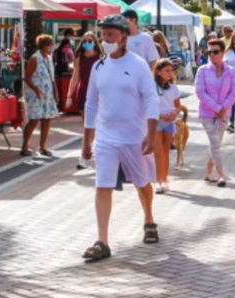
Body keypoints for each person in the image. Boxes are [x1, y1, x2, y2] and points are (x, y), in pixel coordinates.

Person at [82, 14, 159, 262]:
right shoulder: (98, 67)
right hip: (105, 137)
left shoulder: (138, 65)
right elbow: (91, 103)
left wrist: (151, 132)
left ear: (124, 37)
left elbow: (151, 98)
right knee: (103, 186)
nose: (105, 40)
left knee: (142, 181)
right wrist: (86, 139)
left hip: (133, 136)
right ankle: (102, 240)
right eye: (103, 35)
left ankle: (148, 217)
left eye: (110, 35)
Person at [194, 40, 234, 187]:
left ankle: (208, 173)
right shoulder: (202, 70)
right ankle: (221, 175)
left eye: (215, 52)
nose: (212, 55)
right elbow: (200, 92)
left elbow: (233, 92)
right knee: (216, 144)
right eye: (209, 52)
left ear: (222, 53)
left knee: (215, 144)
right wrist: (217, 108)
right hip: (207, 113)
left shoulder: (230, 71)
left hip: (224, 114)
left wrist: (223, 108)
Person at [150, 58, 187, 193]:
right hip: (156, 122)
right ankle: (158, 181)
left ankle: (164, 179)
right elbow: (146, 106)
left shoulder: (173, 88)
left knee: (166, 152)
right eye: (166, 71)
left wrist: (175, 114)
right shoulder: (151, 86)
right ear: (158, 72)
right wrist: (160, 116)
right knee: (158, 153)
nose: (170, 73)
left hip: (169, 123)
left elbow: (178, 105)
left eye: (171, 71)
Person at [21, 34, 59, 157]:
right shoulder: (34, 58)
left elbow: (52, 78)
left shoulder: (48, 58)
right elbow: (26, 77)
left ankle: (42, 146)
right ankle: (24, 146)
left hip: (47, 94)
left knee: (47, 119)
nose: (51, 47)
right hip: (35, 94)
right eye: (49, 45)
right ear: (44, 46)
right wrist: (36, 89)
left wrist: (56, 93)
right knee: (34, 119)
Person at [71, 31, 104, 168]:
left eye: (90, 41)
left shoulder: (100, 57)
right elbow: (75, 76)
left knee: (96, 126)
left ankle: (91, 153)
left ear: (95, 42)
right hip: (83, 93)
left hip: (98, 94)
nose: (87, 43)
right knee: (87, 126)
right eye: (85, 41)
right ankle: (85, 155)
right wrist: (69, 95)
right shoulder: (79, 57)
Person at [53, 29, 76, 110]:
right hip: (66, 71)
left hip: (57, 70)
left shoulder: (56, 49)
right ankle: (63, 105)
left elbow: (54, 60)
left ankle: (59, 105)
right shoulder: (69, 50)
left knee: (58, 89)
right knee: (64, 89)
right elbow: (72, 61)